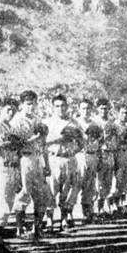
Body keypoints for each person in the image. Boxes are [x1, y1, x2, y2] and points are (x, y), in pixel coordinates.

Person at [10, 90, 54, 240]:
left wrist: (46, 164)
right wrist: (35, 137)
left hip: (37, 158)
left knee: (40, 195)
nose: (31, 107)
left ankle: (37, 229)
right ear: (22, 104)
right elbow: (15, 145)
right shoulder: (17, 120)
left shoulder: (37, 119)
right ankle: (19, 229)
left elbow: (44, 144)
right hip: (24, 158)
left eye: (33, 103)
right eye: (28, 104)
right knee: (24, 193)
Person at [43, 94, 84, 230]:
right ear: (53, 107)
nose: (60, 108)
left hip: (68, 158)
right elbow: (41, 143)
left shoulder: (73, 123)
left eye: (63, 106)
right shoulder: (47, 122)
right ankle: (49, 219)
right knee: (51, 190)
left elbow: (81, 142)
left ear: (67, 106)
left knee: (67, 190)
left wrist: (74, 150)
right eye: (57, 106)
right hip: (54, 157)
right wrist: (58, 139)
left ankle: (64, 217)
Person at [0, 98, 21, 253]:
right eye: (7, 110)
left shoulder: (10, 127)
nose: (10, 113)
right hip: (0, 168)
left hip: (12, 168)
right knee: (1, 207)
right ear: (0, 110)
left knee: (8, 206)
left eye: (13, 110)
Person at [74, 99, 101, 224]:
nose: (86, 111)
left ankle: (87, 212)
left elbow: (100, 141)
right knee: (76, 184)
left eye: (88, 108)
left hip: (92, 155)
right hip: (80, 155)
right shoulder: (75, 123)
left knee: (90, 185)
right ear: (79, 109)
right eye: (83, 108)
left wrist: (99, 158)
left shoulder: (95, 124)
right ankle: (70, 213)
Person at [93, 98, 118, 216]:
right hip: (99, 153)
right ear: (97, 109)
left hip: (110, 153)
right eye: (101, 108)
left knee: (108, 181)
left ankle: (106, 207)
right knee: (99, 182)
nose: (103, 110)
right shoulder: (94, 122)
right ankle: (98, 209)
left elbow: (115, 139)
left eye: (105, 108)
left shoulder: (111, 123)